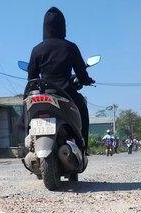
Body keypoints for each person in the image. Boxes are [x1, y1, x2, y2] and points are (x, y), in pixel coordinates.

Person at [27, 7, 94, 152]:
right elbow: (81, 74)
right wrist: (86, 80)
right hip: (66, 93)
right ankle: (83, 147)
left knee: (26, 113)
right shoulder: (70, 47)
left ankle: (29, 141)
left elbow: (31, 77)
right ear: (62, 26)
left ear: (44, 27)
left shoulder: (36, 49)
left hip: (42, 94)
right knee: (82, 108)